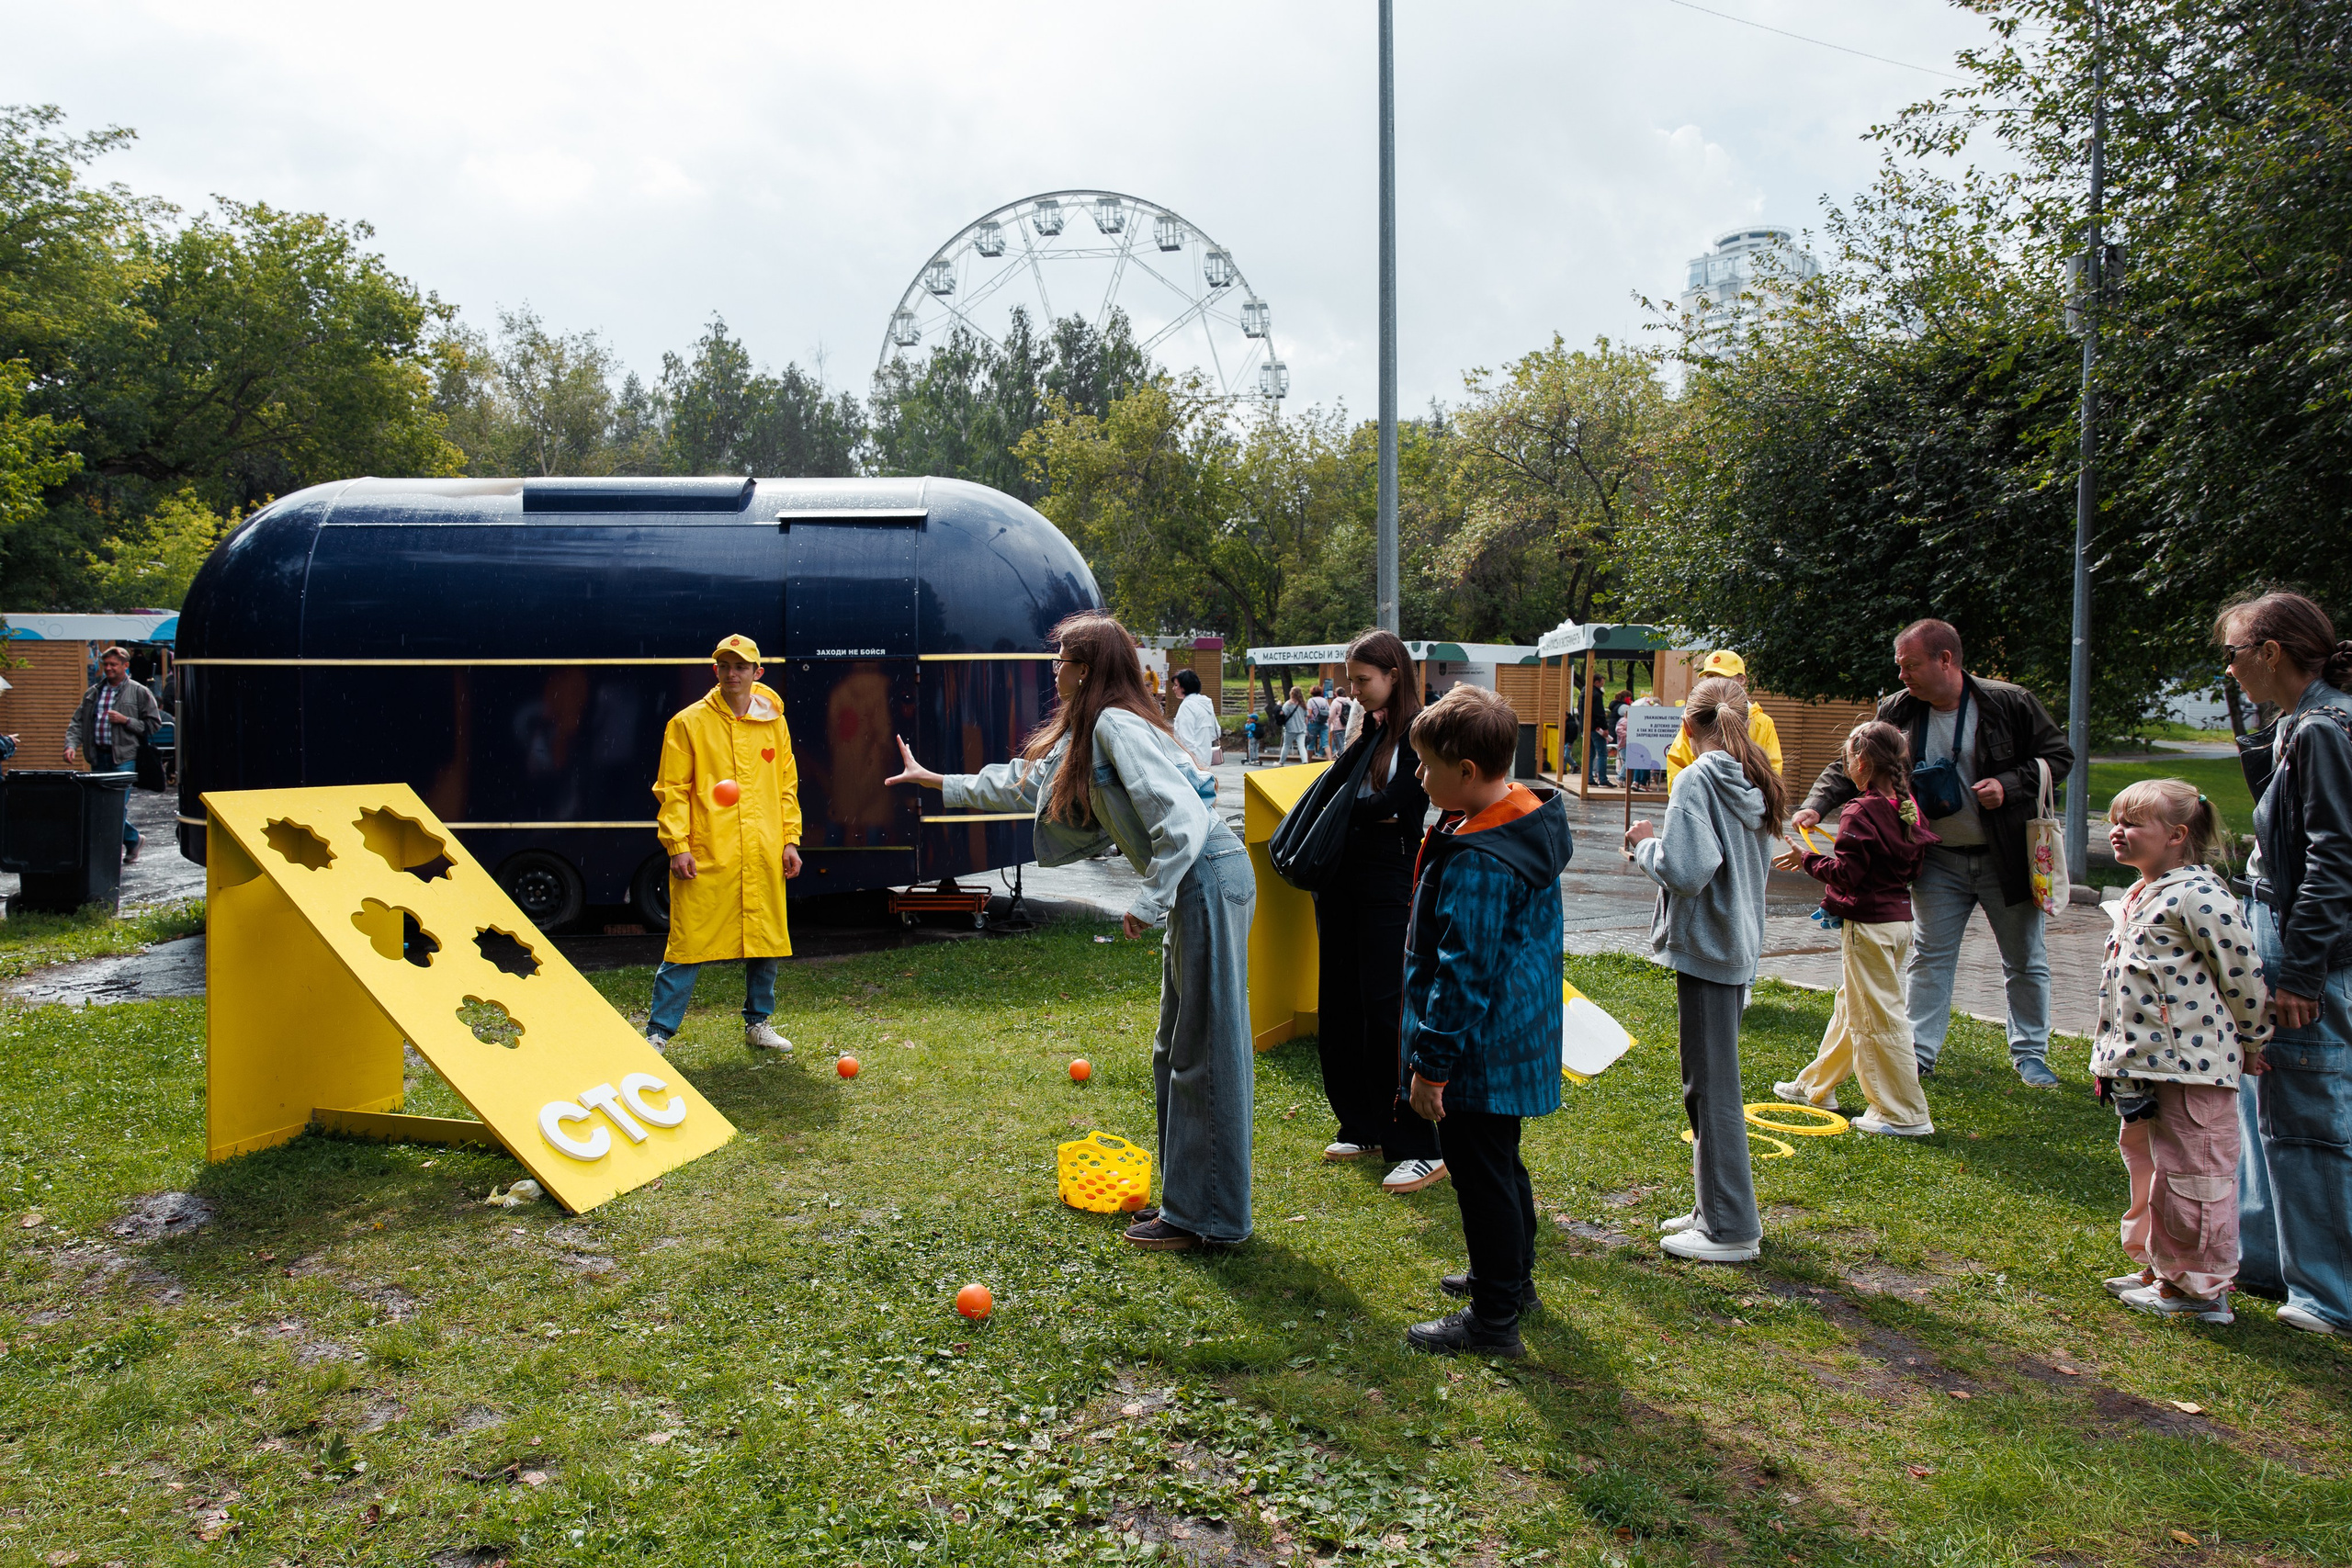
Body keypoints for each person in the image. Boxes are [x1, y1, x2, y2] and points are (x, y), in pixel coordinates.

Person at [889, 612, 1255, 1251]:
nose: (1053, 668)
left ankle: (1214, 1220)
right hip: (1197, 880)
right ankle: (1186, 1204)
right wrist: (935, 781)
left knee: (1206, 1049)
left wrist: (1150, 897)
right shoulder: (1088, 731)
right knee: (1175, 1049)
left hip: (1207, 875)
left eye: (1061, 658)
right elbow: (1020, 781)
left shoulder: (1115, 724)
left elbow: (1181, 819)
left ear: (1085, 669)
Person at [1793, 619, 2074, 1087]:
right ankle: (1919, 1053)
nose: (1902, 675)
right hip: (1936, 858)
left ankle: (2031, 1055)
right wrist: (1814, 805)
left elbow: (2059, 756)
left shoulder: (2009, 702)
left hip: (2005, 855)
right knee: (1930, 955)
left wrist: (2009, 785)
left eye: (1910, 665)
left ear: (1945, 659)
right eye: (1899, 666)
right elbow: (1855, 761)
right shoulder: (1897, 709)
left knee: (2024, 958)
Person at [1399, 685, 1572, 1356]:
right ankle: (1510, 1277)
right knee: (1501, 1163)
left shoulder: (1481, 857)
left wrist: (1431, 1064)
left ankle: (1494, 1318)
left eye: (1425, 764)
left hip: (1480, 1047)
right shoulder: (1519, 818)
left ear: (1465, 772)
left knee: (1481, 1175)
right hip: (1514, 1036)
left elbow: (1463, 969)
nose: (1419, 776)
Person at [2217, 590, 2352, 1337]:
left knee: (2307, 1114)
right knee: (2264, 1097)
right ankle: (2268, 1259)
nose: (2230, 670)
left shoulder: (2324, 729)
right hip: (2278, 927)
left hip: (2303, 943)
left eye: (2234, 654)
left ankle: (2329, 1294)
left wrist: (2301, 971)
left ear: (2271, 652)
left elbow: (2335, 859)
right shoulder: (2300, 724)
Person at [2093, 779, 2271, 1325]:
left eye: (2132, 823)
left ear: (2176, 835)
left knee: (2198, 1174)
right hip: (2142, 1066)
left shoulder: (2199, 893)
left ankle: (2199, 1290)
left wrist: (2253, 1038)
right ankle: (2158, 1266)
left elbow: (2241, 972)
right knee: (2150, 1166)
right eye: (2114, 821)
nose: (2117, 832)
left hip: (2193, 1066)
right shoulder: (2143, 891)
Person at [1626, 677, 1782, 1265]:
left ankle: (1731, 1227)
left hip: (1710, 950)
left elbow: (1687, 871)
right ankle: (1712, 1207)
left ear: (1687, 729)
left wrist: (1645, 845)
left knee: (1712, 1090)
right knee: (1707, 1085)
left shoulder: (1697, 777)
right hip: (1734, 945)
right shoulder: (1752, 775)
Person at [1314, 630, 1445, 1192]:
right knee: (1341, 1001)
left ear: (1394, 674)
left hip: (1389, 876)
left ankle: (1419, 1145)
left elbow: (1406, 804)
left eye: (1364, 680)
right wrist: (1363, 809)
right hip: (1345, 874)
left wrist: (1359, 811)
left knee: (1387, 1005)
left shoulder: (1419, 730)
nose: (1354, 689)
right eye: (1351, 680)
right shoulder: (1367, 725)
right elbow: (1347, 791)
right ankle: (1363, 1125)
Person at [1771, 721, 1939, 1135]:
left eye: (1848, 758)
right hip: (1899, 923)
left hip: (1869, 926)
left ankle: (1903, 1113)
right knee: (1854, 1007)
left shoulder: (1860, 810)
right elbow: (1912, 865)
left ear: (1861, 762)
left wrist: (1806, 859)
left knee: (1877, 1018)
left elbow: (1847, 874)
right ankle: (1815, 1088)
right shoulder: (1906, 805)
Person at [647, 636, 804, 1054]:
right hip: (708, 852)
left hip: (762, 849)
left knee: (765, 939)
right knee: (687, 942)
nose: (732, 673)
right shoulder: (688, 723)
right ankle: (659, 1032)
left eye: (741, 666)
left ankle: (759, 1023)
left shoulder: (775, 722)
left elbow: (786, 786)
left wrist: (789, 840)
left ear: (758, 673)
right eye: (724, 666)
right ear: (715, 671)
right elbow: (673, 790)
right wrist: (678, 845)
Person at [64, 645, 164, 863]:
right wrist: (70, 745)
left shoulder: (139, 691)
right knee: (100, 805)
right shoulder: (93, 692)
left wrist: (126, 721)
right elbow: (78, 722)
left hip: (125, 758)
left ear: (125, 666)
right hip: (98, 757)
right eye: (105, 664)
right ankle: (132, 839)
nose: (108, 668)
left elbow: (154, 724)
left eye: (113, 665)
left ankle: (108, 851)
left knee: (115, 805)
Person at [1664, 650, 1783, 789]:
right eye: (1710, 676)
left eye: (1723, 676)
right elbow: (1677, 763)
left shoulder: (1762, 722)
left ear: (1742, 679)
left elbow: (1772, 768)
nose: (1716, 682)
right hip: (1701, 803)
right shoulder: (1696, 717)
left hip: (1745, 806)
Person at [1171, 668, 1221, 773]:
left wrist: (1191, 759)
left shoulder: (1187, 706)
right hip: (1206, 759)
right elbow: (1216, 732)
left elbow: (1185, 738)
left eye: (1176, 685)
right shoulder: (1206, 703)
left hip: (1191, 763)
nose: (1173, 688)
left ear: (1184, 687)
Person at [1276, 683, 1311, 765]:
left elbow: (1282, 713)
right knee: (1302, 746)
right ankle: (1305, 762)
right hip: (1301, 728)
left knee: (1286, 745)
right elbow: (1306, 717)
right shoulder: (1303, 704)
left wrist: (1278, 705)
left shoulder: (1288, 704)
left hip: (1290, 728)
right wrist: (1306, 728)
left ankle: (1281, 762)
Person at [1306, 686, 1331, 761]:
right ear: (1321, 692)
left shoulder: (1311, 701)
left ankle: (1309, 762)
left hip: (1313, 723)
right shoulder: (1324, 700)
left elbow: (1309, 714)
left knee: (1311, 743)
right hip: (1324, 723)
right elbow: (1328, 712)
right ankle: (1330, 761)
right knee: (1325, 743)